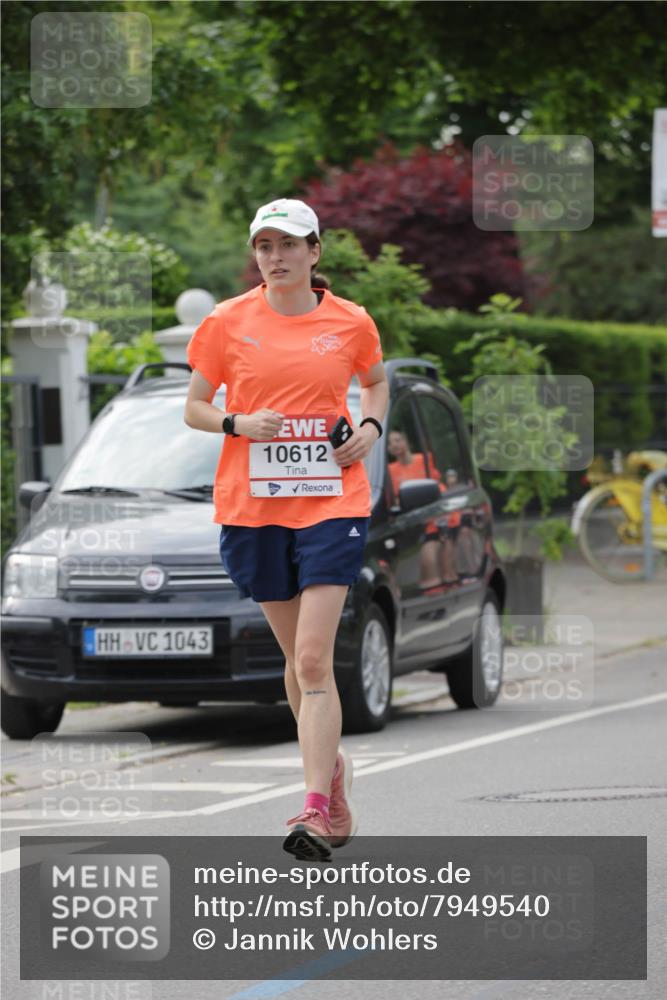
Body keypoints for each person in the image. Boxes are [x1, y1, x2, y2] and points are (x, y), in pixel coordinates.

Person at [184, 198, 388, 862]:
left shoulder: (350, 321)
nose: (275, 257)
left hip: (332, 502)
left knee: (312, 659)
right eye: (264, 246)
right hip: (255, 508)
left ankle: (313, 809)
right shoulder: (226, 321)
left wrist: (369, 428)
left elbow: (375, 383)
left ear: (314, 252)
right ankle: (333, 775)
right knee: (296, 664)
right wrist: (237, 423)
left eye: (289, 244)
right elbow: (194, 406)